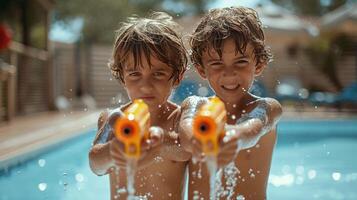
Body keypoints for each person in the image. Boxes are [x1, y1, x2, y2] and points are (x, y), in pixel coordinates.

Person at [179, 6, 283, 200]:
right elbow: (186, 133)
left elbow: (252, 129)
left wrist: (232, 136)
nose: (229, 73)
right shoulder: (195, 104)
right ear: (202, 69)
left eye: (241, 62)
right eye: (217, 64)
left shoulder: (268, 107)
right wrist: (199, 142)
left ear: (258, 64)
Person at [88, 12, 190, 200]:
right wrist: (112, 151)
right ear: (122, 77)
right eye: (135, 74)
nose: (146, 85)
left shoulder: (179, 118)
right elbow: (96, 164)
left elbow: (187, 150)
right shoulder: (114, 118)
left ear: (178, 77)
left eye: (158, 74)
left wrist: (159, 143)